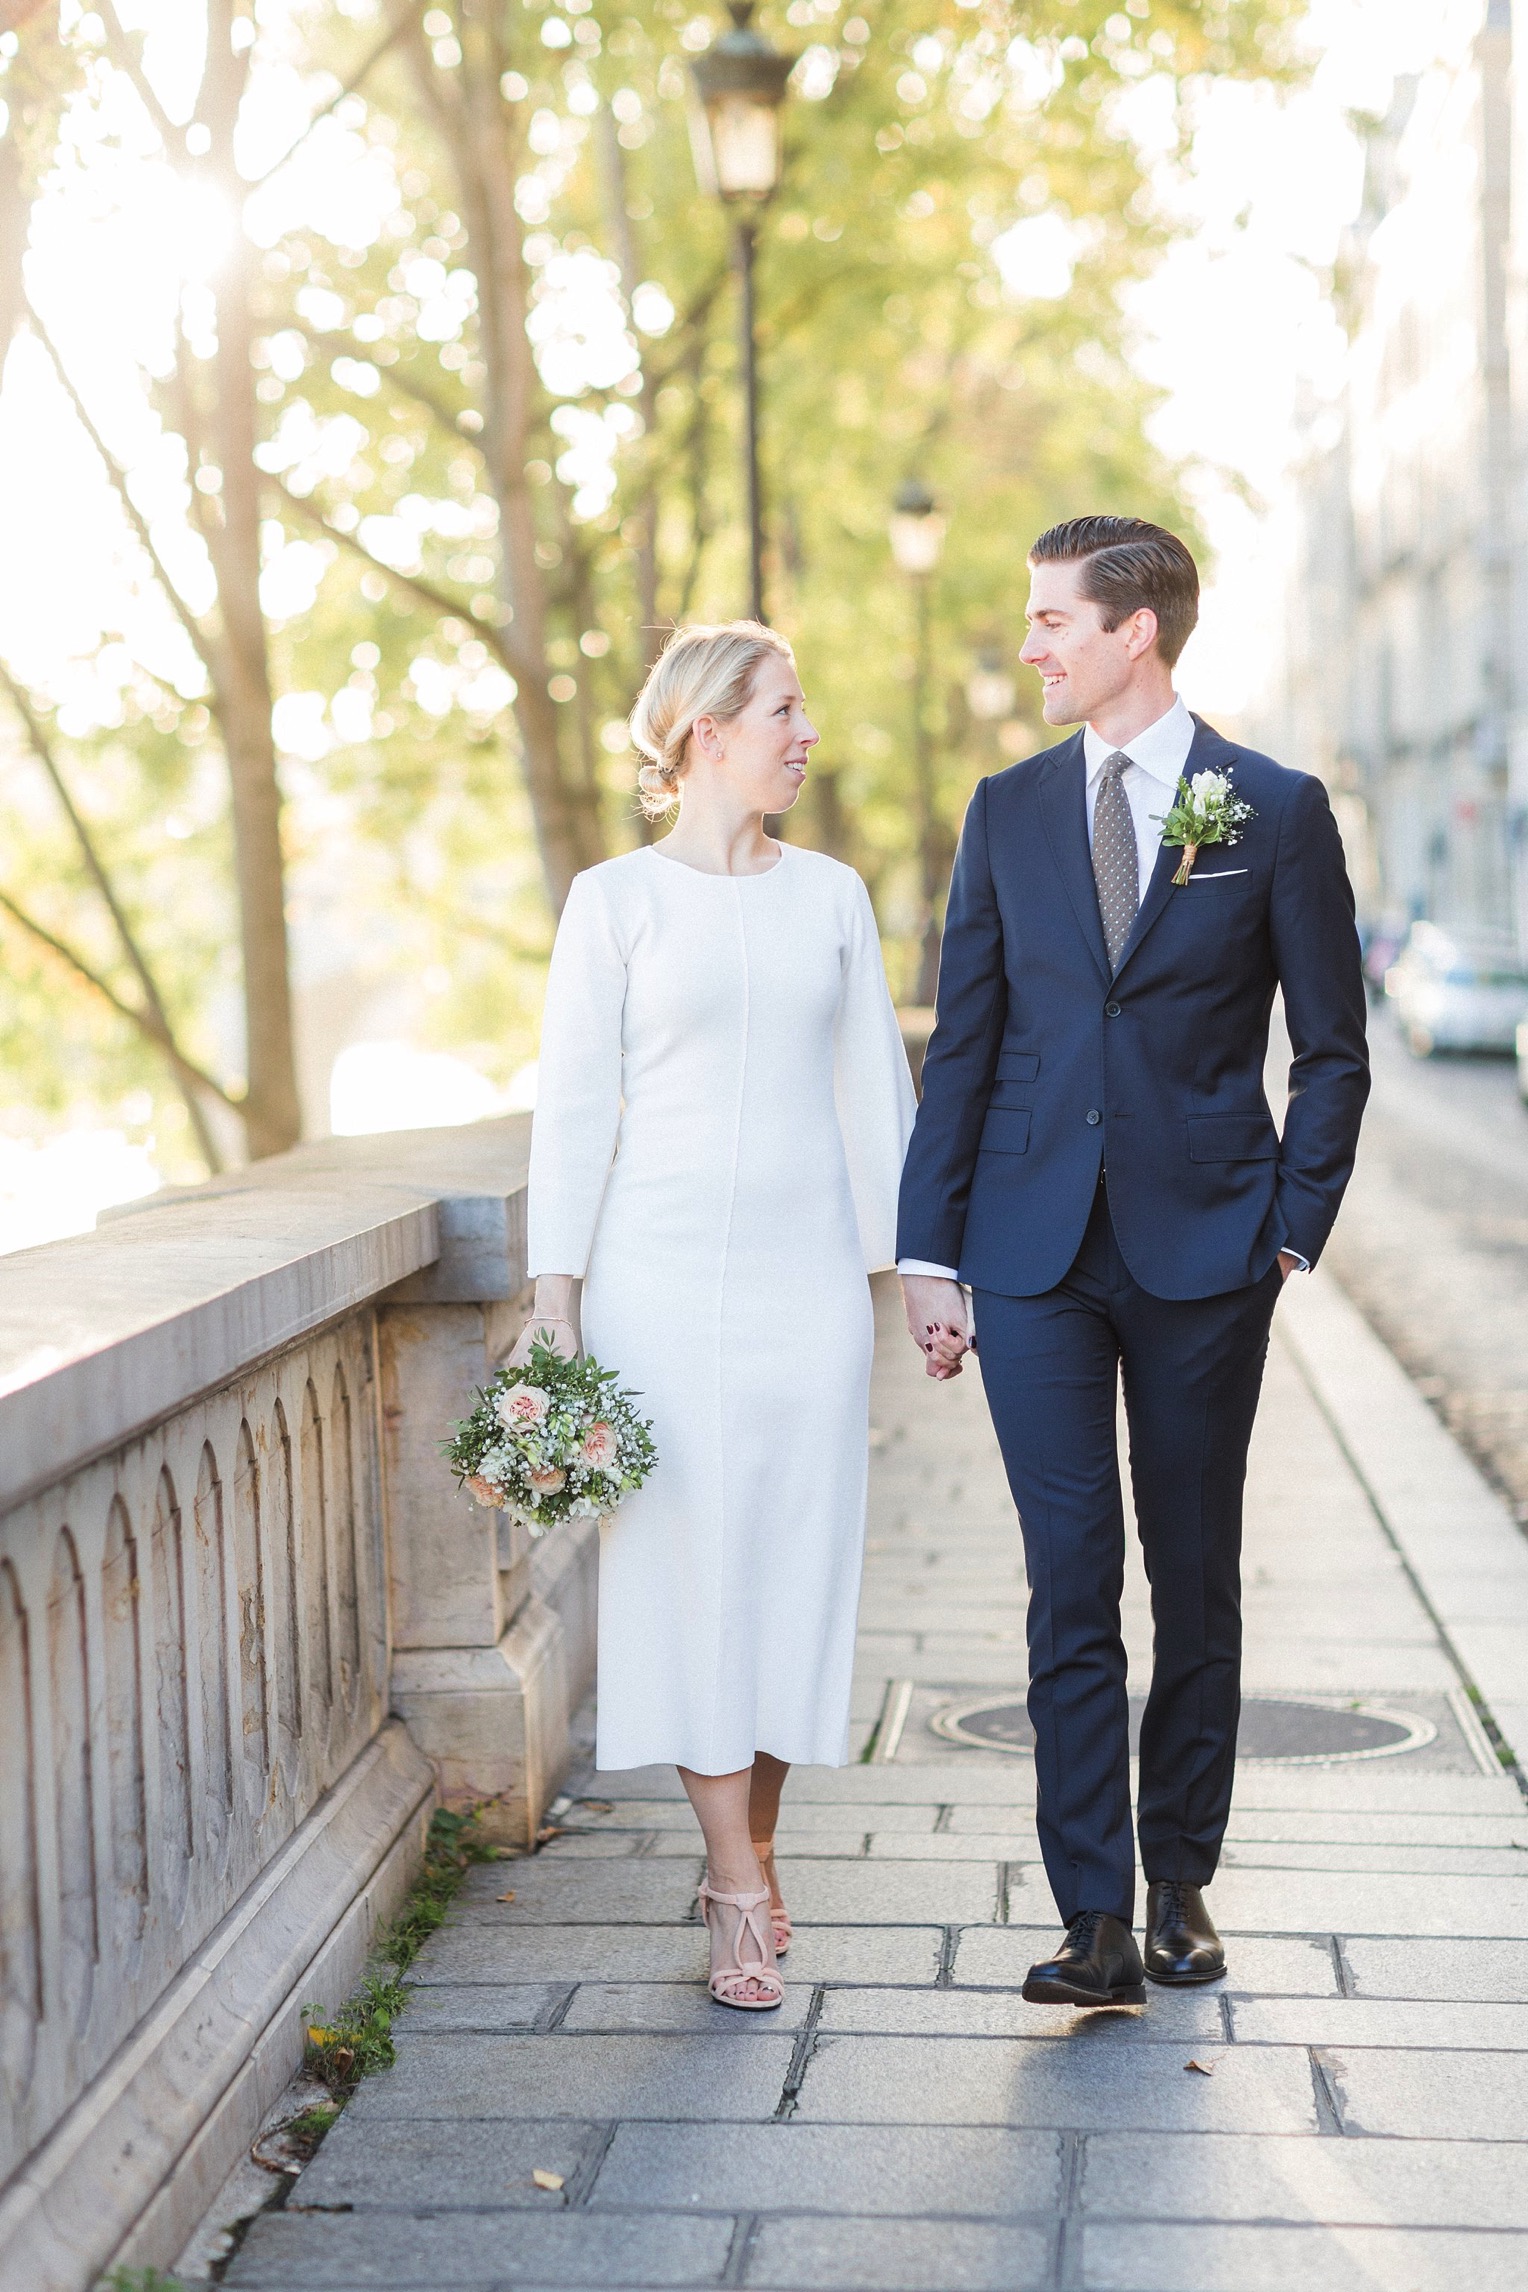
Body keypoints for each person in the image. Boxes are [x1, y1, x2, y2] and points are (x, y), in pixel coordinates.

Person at [897, 517, 1370, 2007]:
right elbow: (966, 1045)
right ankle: (1091, 1917)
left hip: (1204, 1252)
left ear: (1134, 633)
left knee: (1195, 1574)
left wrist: (1287, 1229)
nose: (1030, 645)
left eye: (1051, 621)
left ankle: (1182, 1887)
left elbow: (1334, 1052)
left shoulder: (1271, 809)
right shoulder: (1008, 809)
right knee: (1067, 1583)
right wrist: (928, 1251)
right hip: (1029, 1256)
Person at [518, 621, 916, 2010]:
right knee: (690, 1574)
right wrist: (554, 1296)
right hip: (660, 1286)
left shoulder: (834, 898)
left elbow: (878, 1095)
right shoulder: (612, 900)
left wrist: (923, 1271)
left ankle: (755, 1843)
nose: (807, 735)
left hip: (811, 1287)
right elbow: (571, 1109)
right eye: (785, 712)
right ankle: (734, 1885)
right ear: (707, 735)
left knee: (796, 1569)